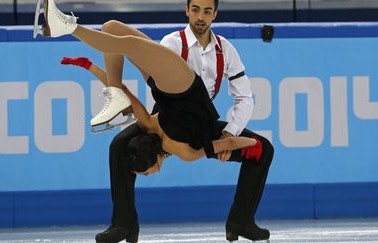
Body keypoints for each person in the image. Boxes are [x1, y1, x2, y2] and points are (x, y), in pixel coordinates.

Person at [37, 0, 274, 242]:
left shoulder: (226, 50)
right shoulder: (173, 42)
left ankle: (241, 222)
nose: (200, 17)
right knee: (111, 27)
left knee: (263, 149)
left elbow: (245, 98)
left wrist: (229, 133)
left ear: (215, 15)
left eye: (207, 11)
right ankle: (124, 224)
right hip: (170, 110)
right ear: (187, 11)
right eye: (195, 10)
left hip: (197, 121)